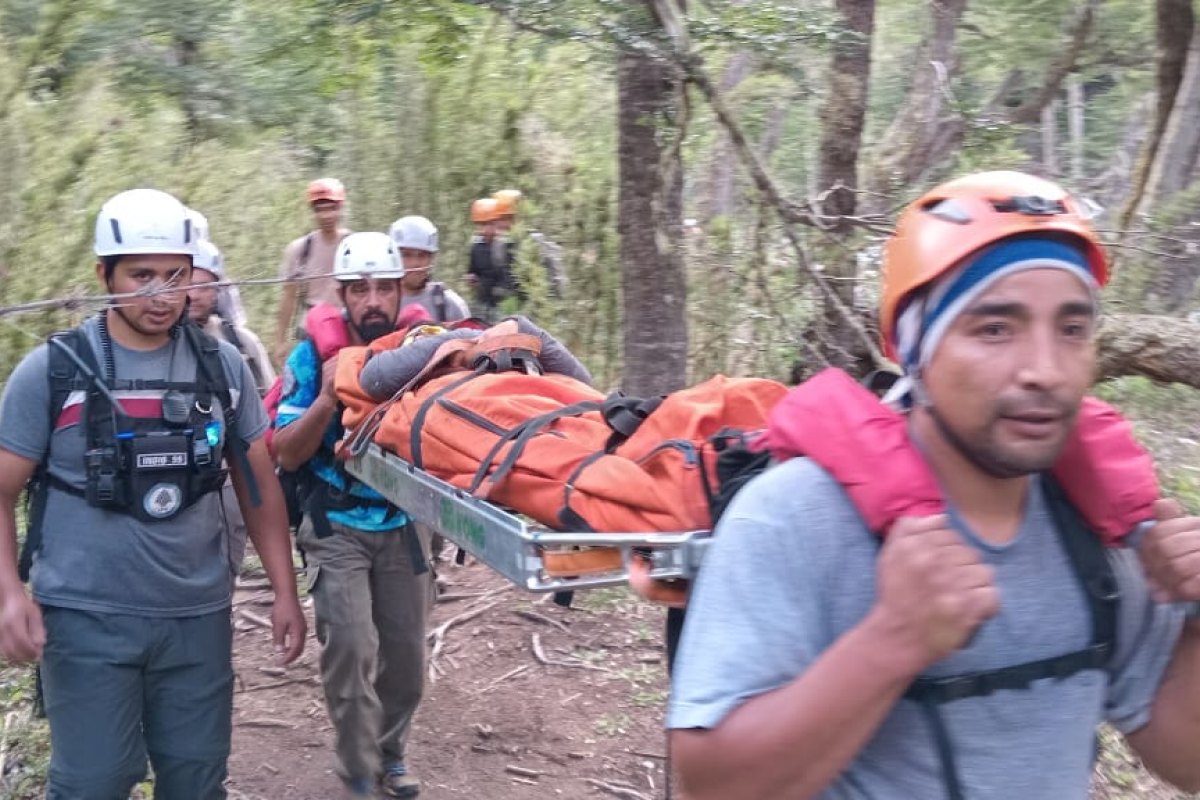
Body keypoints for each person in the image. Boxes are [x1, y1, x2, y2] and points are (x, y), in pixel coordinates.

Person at [662, 171, 1200, 800]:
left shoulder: (1100, 530)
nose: (1045, 370)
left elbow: (1185, 760)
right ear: (918, 350)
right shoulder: (792, 519)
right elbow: (714, 785)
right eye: (995, 328)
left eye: (1072, 329)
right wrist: (895, 639)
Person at [0, 188, 306, 799]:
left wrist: (285, 592)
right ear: (103, 275)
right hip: (86, 618)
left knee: (195, 780)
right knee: (94, 782)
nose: (161, 295)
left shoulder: (222, 368)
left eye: (175, 275)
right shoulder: (54, 371)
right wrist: (9, 592)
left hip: (196, 618)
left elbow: (258, 487)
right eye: (141, 276)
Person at [272, 231, 429, 799]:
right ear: (341, 293)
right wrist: (328, 396)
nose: (373, 300)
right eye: (359, 289)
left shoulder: (423, 350)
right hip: (335, 521)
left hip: (405, 524)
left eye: (384, 287)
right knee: (351, 648)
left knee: (408, 661)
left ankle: (390, 753)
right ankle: (360, 770)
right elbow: (285, 451)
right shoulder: (310, 356)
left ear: (400, 289)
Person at [189, 237, 278, 576]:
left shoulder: (241, 343)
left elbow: (268, 406)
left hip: (229, 482)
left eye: (203, 285)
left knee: (222, 574)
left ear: (217, 289)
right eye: (186, 283)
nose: (193, 294)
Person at [274, 177, 353, 366]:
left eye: (331, 208)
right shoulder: (300, 249)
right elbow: (289, 298)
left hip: (347, 328)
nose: (325, 216)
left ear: (340, 208)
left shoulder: (354, 245)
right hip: (311, 332)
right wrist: (279, 341)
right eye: (319, 210)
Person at [388, 215, 470, 324]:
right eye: (406, 255)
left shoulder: (450, 306)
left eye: (422, 255)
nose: (415, 263)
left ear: (432, 258)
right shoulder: (382, 306)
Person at [464, 197, 512, 322]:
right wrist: (471, 278)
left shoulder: (507, 247)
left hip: (502, 307)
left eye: (488, 224)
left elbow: (510, 280)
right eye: (480, 225)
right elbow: (472, 270)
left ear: (497, 222)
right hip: (482, 303)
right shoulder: (477, 247)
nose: (483, 229)